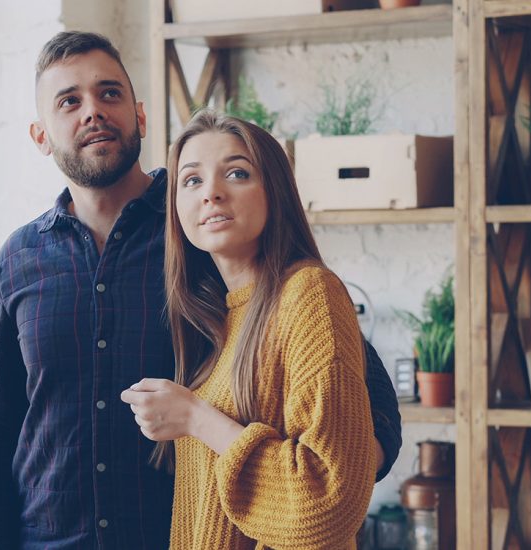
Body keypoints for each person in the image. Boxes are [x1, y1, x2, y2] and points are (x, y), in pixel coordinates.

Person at [0, 31, 400, 549]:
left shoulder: (204, 231)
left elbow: (360, 393)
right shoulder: (19, 259)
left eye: (110, 93)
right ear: (41, 135)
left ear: (140, 116)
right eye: (69, 101)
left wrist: (316, 499)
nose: (93, 112)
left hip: (187, 533)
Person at [121, 110, 376, 549]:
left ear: (274, 191)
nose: (212, 194)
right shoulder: (217, 318)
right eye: (192, 180)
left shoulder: (308, 293)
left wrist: (197, 418)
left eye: (236, 173)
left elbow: (328, 500)